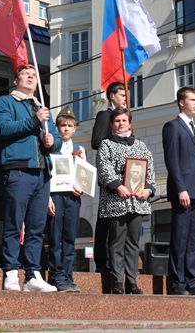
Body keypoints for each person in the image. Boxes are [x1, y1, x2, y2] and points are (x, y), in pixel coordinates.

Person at [0, 64, 62, 292]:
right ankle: (11, 272)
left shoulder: (42, 108)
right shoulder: (6, 102)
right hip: (18, 169)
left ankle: (33, 274)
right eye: (26, 74)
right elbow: (3, 129)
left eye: (34, 75)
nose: (31, 77)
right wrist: (34, 120)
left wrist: (52, 142)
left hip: (42, 172)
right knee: (14, 223)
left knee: (36, 227)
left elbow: (56, 139)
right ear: (16, 80)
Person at [97, 107, 155, 295]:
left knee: (133, 242)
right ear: (112, 124)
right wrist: (117, 186)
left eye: (124, 120)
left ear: (130, 124)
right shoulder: (106, 145)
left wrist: (148, 189)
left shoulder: (141, 146)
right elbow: (104, 168)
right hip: (116, 201)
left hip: (137, 202)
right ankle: (117, 281)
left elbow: (150, 170)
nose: (121, 124)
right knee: (116, 241)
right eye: (117, 121)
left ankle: (132, 281)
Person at [163, 87, 195, 296]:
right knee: (180, 238)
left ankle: (192, 281)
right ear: (181, 102)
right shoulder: (172, 127)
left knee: (194, 240)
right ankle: (177, 282)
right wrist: (180, 189)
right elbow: (172, 161)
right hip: (183, 192)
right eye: (192, 100)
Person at [46, 108, 85, 292]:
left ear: (75, 129)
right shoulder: (51, 148)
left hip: (72, 197)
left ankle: (68, 276)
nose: (66, 129)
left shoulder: (79, 149)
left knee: (69, 237)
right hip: (56, 195)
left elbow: (83, 174)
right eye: (63, 125)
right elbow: (46, 174)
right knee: (55, 238)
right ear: (57, 127)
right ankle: (57, 276)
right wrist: (47, 198)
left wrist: (81, 187)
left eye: (70, 126)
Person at [91, 82, 126, 277]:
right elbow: (96, 141)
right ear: (112, 96)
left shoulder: (125, 118)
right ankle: (101, 261)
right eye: (122, 95)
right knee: (105, 220)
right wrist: (116, 139)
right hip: (109, 176)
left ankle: (118, 262)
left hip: (124, 177)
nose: (125, 98)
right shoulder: (105, 116)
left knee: (120, 222)